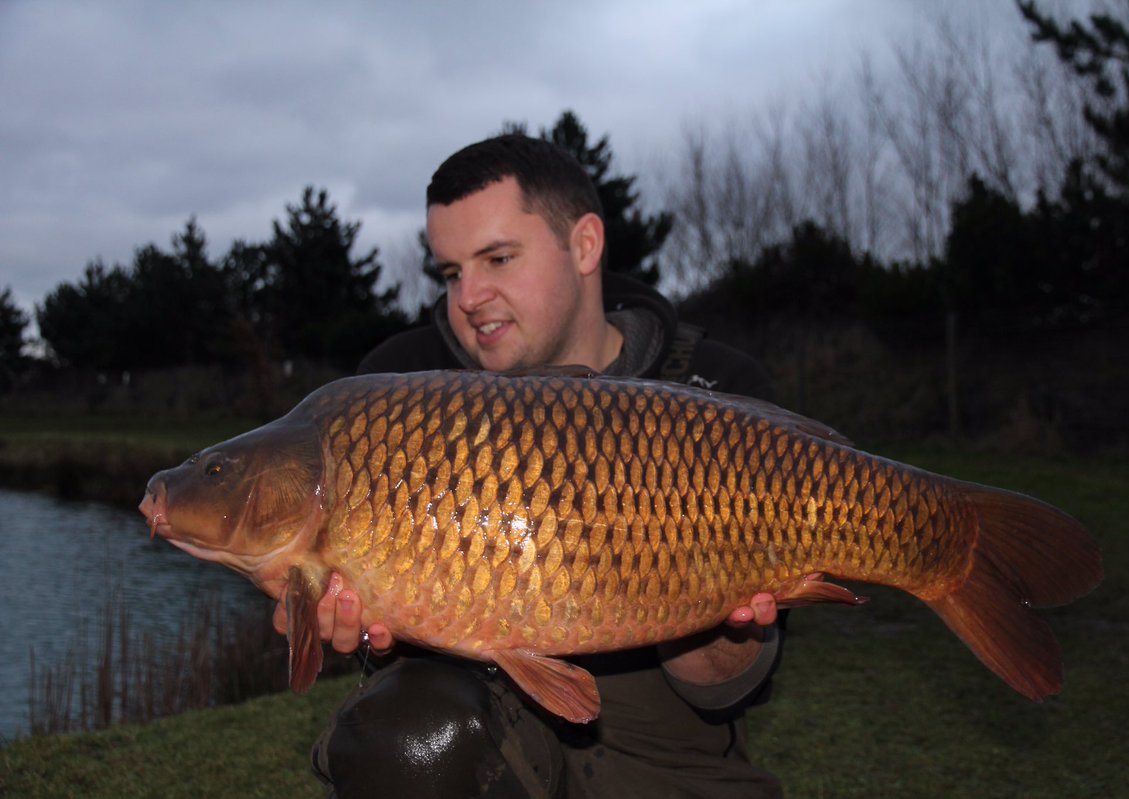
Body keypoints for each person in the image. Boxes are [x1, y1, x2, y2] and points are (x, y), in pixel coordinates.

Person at [274, 133, 785, 798]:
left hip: (666, 755)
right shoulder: (392, 391)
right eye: (452, 272)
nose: (468, 297)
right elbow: (380, 639)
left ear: (585, 245)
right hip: (478, 727)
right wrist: (354, 621)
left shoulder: (718, 391)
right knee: (410, 741)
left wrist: (704, 601)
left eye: (497, 258)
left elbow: (729, 686)